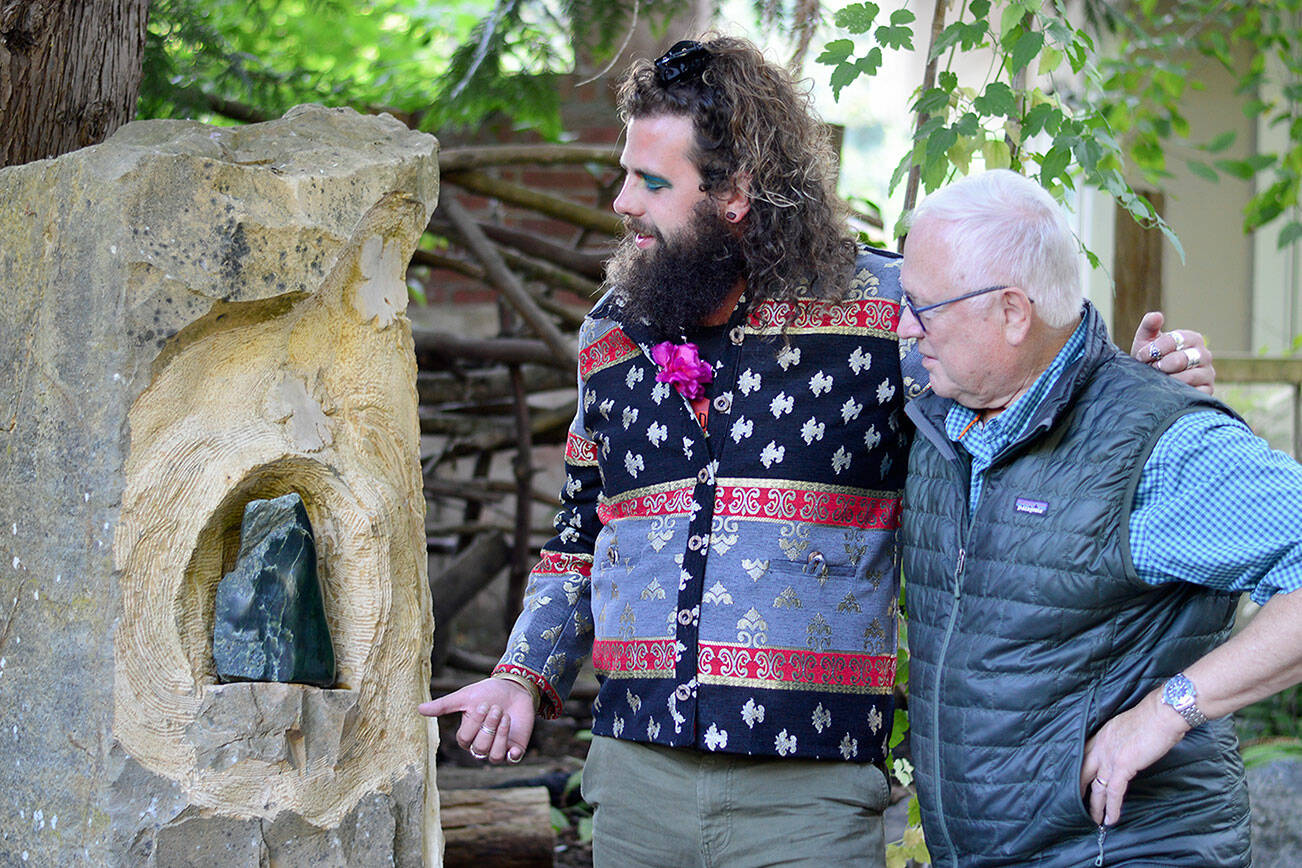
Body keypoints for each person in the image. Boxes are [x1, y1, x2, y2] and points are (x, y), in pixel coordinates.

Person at [420, 38, 1211, 867]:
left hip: (808, 796)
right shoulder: (611, 334)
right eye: (625, 173)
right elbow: (581, 536)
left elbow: (1018, 402)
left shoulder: (886, 318)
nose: (621, 201)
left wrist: (1140, 385)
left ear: (735, 191)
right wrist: (520, 673)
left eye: (652, 182)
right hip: (632, 783)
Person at [895, 168, 1302, 866]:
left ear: (1014, 313)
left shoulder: (1159, 446)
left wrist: (1170, 708)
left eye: (920, 305)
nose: (903, 326)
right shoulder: (943, 420)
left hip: (1130, 849)